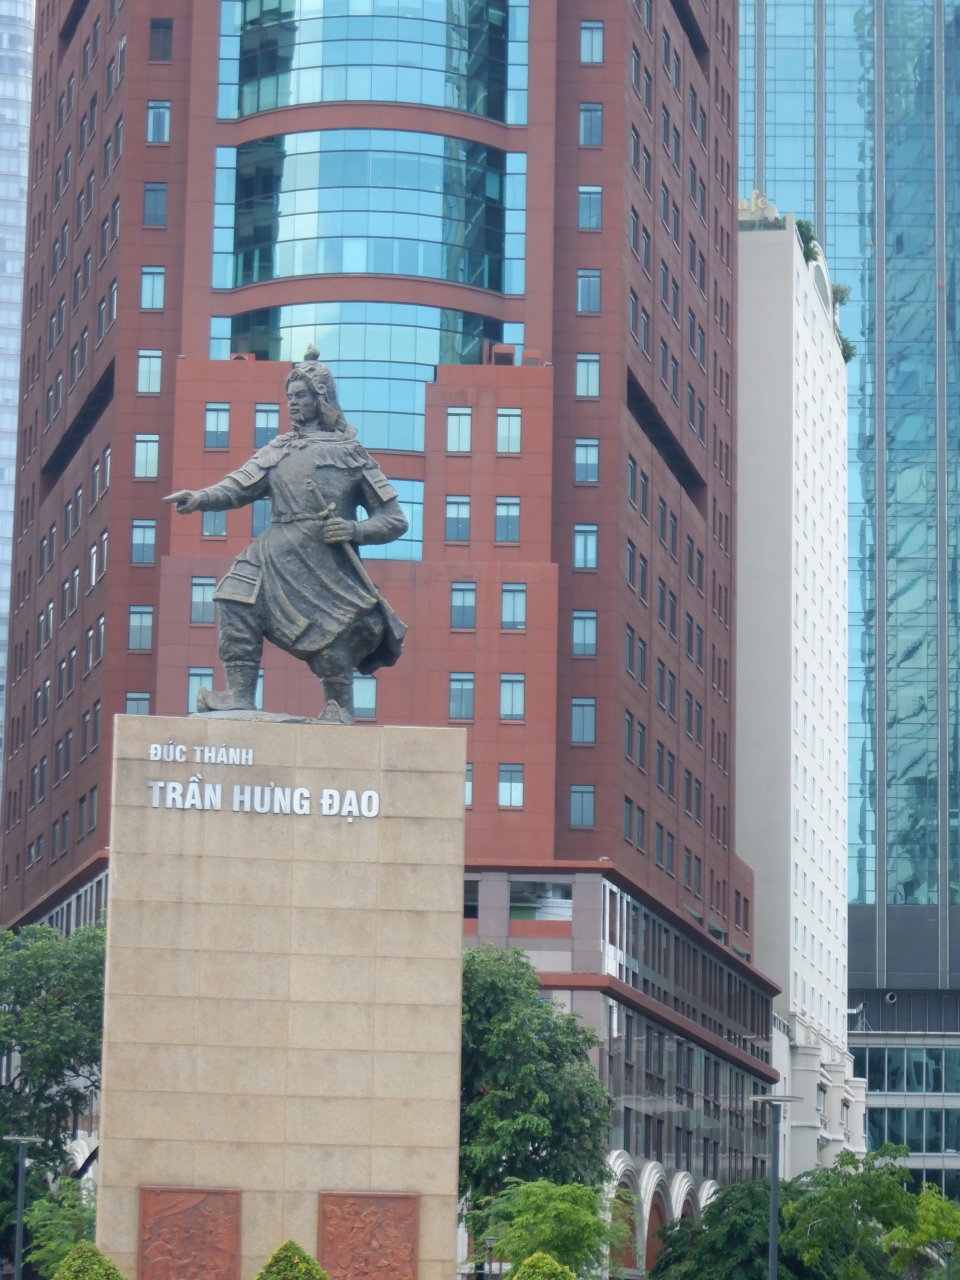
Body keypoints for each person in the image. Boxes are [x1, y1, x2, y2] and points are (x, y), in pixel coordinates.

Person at [164, 346, 408, 724]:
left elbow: (394, 519)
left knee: (331, 636)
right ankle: (240, 693)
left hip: (323, 559)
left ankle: (339, 708)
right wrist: (199, 498)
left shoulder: (352, 453)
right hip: (273, 549)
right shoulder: (277, 449)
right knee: (234, 597)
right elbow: (237, 487)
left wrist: (354, 529)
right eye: (290, 397)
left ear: (321, 398)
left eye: (301, 396)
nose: (293, 403)